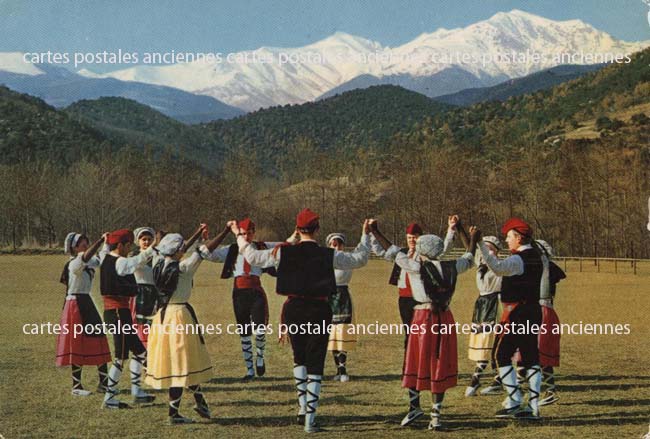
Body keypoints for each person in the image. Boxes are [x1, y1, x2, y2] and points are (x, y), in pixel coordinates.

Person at [231, 209, 370, 433]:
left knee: (299, 358)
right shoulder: (328, 254)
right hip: (319, 308)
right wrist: (365, 235)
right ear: (317, 230)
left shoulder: (283, 252)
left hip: (294, 309)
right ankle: (310, 419)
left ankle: (302, 407)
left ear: (297, 229)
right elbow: (360, 259)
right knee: (315, 362)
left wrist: (239, 235)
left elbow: (252, 257)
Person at [370, 219, 478, 430]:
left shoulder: (416, 267)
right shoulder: (452, 266)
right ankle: (435, 416)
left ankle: (414, 406)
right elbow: (469, 256)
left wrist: (375, 230)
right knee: (439, 362)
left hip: (422, 318)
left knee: (416, 360)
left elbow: (391, 250)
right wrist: (473, 238)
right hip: (444, 318)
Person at [145, 224, 216, 424]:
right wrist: (227, 231)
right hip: (179, 316)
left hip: (162, 316)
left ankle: (200, 401)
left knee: (180, 363)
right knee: (181, 364)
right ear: (177, 251)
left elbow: (182, 247)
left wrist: (197, 233)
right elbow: (205, 251)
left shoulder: (158, 262)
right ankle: (174, 413)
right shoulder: (184, 268)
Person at [200, 218, 284, 380]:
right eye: (243, 233)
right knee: (244, 332)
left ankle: (260, 358)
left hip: (256, 290)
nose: (246, 236)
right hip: (239, 293)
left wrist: (296, 237)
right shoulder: (232, 249)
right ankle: (249, 371)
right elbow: (211, 254)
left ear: (254, 232)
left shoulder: (261, 247)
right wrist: (205, 239)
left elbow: (283, 245)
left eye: (249, 233)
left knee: (260, 330)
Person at [478, 218, 545, 419]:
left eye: (508, 237)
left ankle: (515, 400)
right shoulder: (537, 256)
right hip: (533, 310)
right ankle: (533, 407)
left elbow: (496, 267)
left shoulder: (518, 259)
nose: (506, 241)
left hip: (517, 313)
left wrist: (481, 244)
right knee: (531, 357)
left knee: (501, 354)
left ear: (517, 237)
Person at [370, 219, 455, 349]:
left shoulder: (426, 255)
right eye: (409, 237)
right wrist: (372, 234)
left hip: (421, 299)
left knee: (422, 332)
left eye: (414, 238)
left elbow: (444, 249)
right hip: (404, 298)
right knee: (409, 331)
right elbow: (380, 251)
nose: (411, 240)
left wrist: (451, 230)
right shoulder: (401, 252)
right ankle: (409, 360)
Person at [100, 229, 157, 409]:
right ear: (120, 245)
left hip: (119, 312)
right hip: (117, 312)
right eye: (127, 245)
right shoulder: (119, 261)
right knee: (120, 357)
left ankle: (136, 391)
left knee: (140, 352)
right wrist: (152, 248)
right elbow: (134, 262)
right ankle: (109, 398)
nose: (128, 248)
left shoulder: (106, 258)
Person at [56, 232, 112, 396]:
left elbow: (102, 258)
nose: (86, 247)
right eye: (82, 244)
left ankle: (104, 382)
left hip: (86, 301)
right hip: (75, 304)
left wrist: (107, 243)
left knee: (99, 338)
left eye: (87, 244)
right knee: (76, 343)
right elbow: (87, 257)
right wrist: (100, 240)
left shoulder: (88, 261)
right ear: (74, 247)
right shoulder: (74, 263)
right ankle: (76, 386)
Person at [326, 232, 369, 382]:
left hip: (343, 297)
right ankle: (337, 369)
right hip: (328, 298)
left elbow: (361, 252)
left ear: (343, 245)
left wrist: (365, 233)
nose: (336, 246)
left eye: (338, 244)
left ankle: (343, 368)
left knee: (342, 333)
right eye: (333, 244)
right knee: (332, 334)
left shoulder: (347, 260)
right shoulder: (325, 259)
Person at [465, 234, 503, 397]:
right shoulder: (480, 263)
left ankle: (477, 378)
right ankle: (498, 378)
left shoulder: (498, 265)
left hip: (494, 304)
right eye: (484, 247)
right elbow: (469, 247)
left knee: (490, 342)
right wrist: (459, 228)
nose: (487, 251)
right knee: (482, 341)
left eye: (490, 248)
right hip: (481, 304)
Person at [535, 239, 566, 406]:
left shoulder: (546, 268)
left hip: (542, 312)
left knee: (539, 353)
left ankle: (549, 390)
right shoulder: (543, 268)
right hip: (541, 311)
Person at [129, 227, 159, 348]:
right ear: (139, 241)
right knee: (140, 325)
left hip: (154, 294)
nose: (146, 242)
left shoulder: (157, 257)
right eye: (144, 239)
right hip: (140, 294)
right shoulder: (135, 257)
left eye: (149, 239)